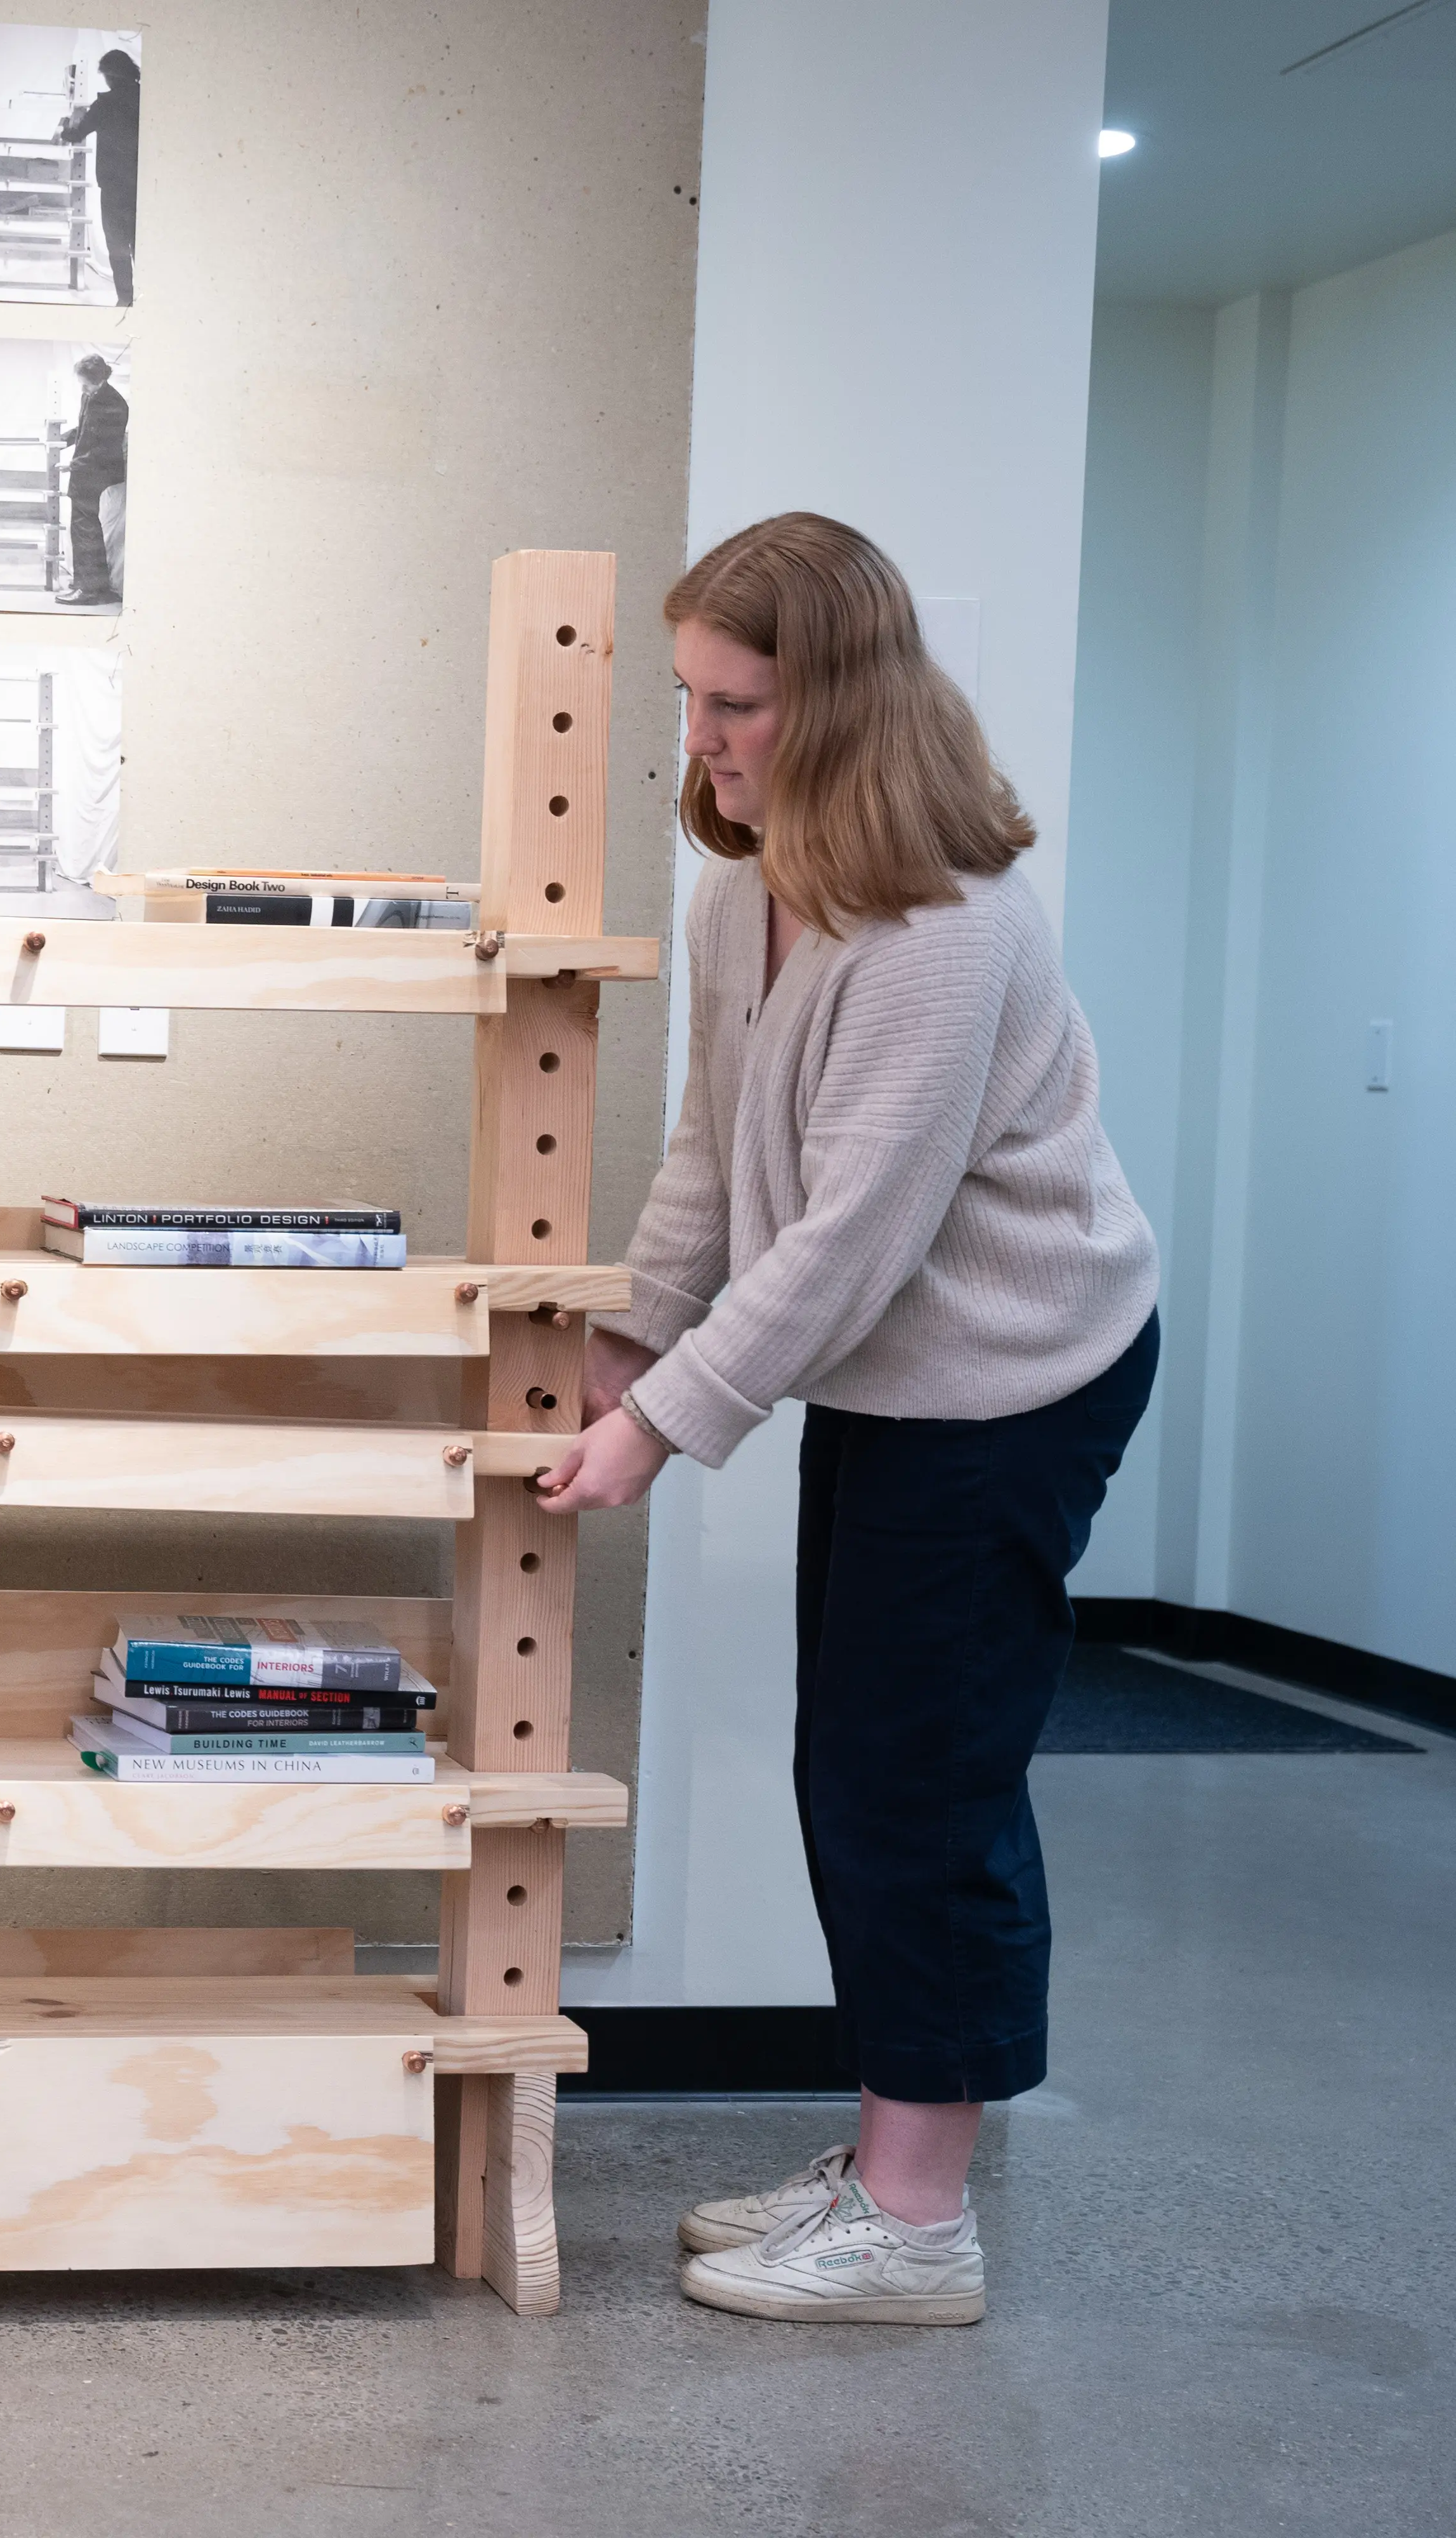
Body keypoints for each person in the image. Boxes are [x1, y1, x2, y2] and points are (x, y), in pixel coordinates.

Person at [537, 513, 1160, 2329]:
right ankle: (892, 2153)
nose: (702, 740)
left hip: (1010, 1374)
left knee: (920, 1779)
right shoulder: (753, 895)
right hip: (897, 1372)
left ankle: (916, 2224)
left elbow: (851, 1237)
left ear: (843, 703)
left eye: (737, 704)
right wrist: (629, 1334)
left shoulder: (942, 928)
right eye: (688, 700)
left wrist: (657, 1424)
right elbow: (710, 1169)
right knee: (856, 1766)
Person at [56, 48, 141, 306]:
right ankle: (149, 301)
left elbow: (77, 133)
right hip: (142, 185)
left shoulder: (106, 104)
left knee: (118, 246)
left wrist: (62, 128)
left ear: (110, 76)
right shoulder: (146, 99)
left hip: (114, 185)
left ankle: (125, 300)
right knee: (142, 245)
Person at [59, 353, 127, 604]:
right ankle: (89, 584)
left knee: (85, 530)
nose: (83, 389)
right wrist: (61, 440)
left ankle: (88, 591)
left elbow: (104, 448)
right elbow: (84, 429)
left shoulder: (114, 404)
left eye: (87, 384)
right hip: (86, 472)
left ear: (100, 380)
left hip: (96, 473)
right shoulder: (91, 395)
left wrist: (73, 464)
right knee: (85, 529)